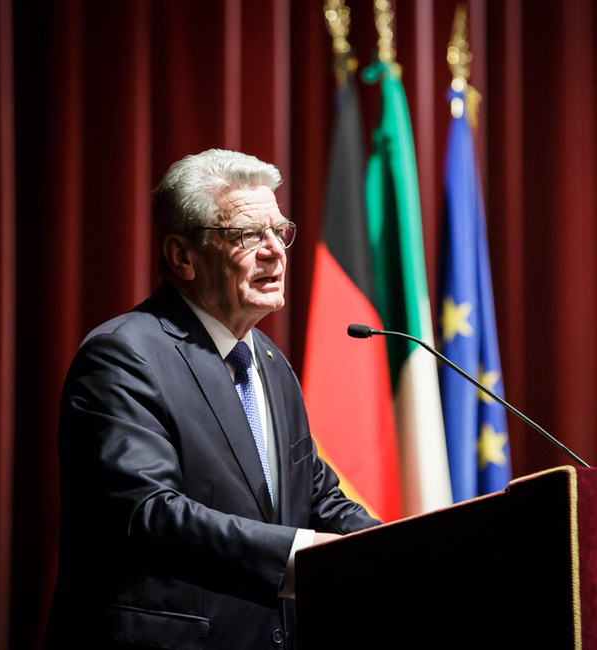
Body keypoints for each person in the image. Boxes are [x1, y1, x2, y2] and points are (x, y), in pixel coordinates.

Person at [44, 149, 381, 649]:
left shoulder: (268, 361)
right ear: (182, 256)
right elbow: (150, 514)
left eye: (280, 230)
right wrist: (302, 555)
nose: (275, 250)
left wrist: (404, 548)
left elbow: (316, 498)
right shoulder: (122, 357)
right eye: (248, 235)